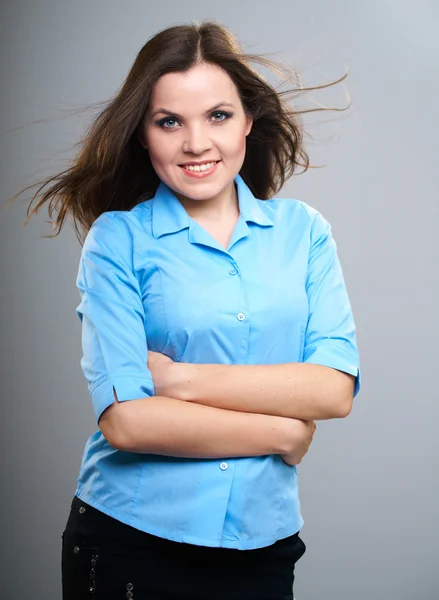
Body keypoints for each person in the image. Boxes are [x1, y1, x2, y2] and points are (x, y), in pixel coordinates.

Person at [12, 20, 361, 600]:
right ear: (143, 134)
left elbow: (333, 391)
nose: (196, 143)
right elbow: (126, 422)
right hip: (132, 538)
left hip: (264, 540)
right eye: (169, 121)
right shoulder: (117, 240)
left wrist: (177, 379)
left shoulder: (304, 233)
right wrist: (278, 430)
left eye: (217, 116)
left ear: (248, 119)